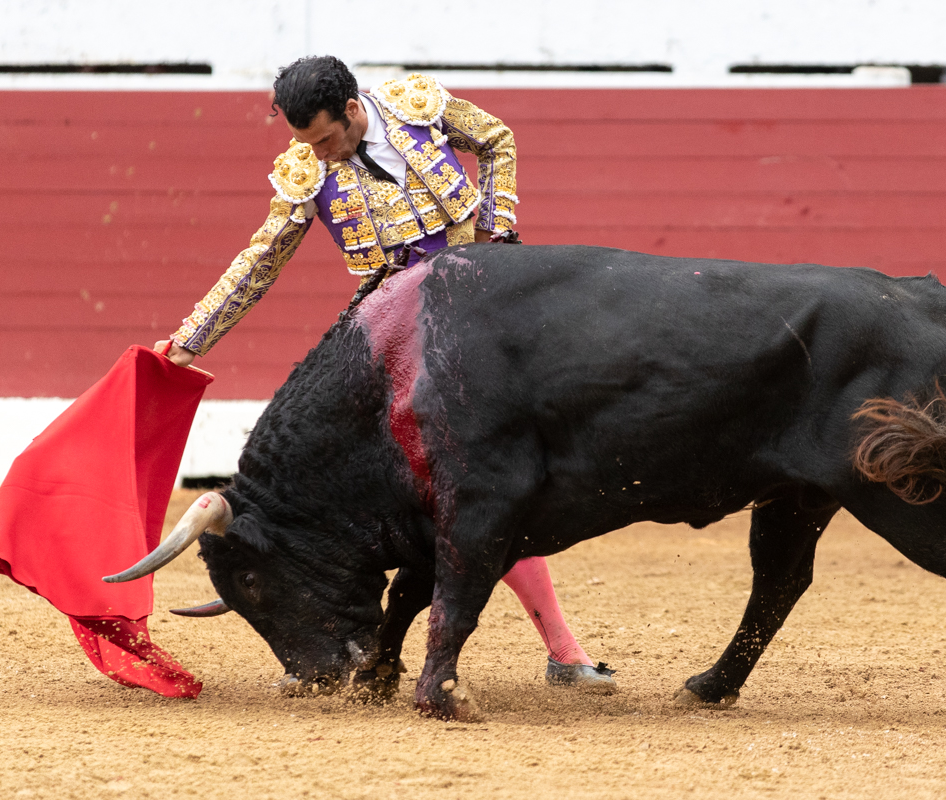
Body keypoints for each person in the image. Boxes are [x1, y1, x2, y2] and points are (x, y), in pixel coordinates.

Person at [155, 55, 615, 691]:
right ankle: (346, 636)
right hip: (398, 331)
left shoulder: (413, 106)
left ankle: (556, 651)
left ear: (350, 110)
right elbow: (259, 262)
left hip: (482, 309)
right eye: (304, 144)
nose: (319, 155)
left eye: (324, 139)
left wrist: (498, 235)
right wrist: (190, 339)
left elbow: (497, 139)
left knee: (491, 473)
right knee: (450, 483)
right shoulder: (304, 172)